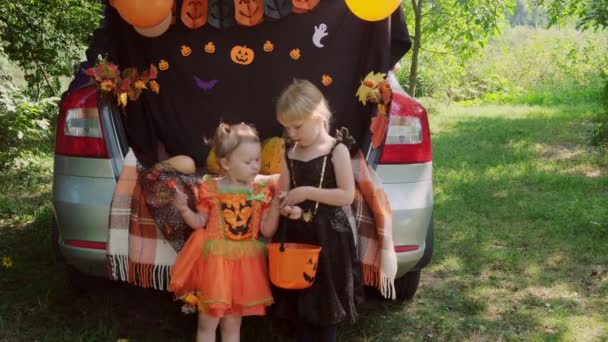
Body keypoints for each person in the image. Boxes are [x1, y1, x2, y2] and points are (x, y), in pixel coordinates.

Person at [167, 122, 282, 342]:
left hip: (245, 266)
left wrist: (275, 205)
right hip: (216, 264)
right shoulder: (211, 189)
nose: (255, 166)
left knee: (232, 322)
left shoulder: (260, 192)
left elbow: (267, 230)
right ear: (226, 163)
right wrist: (183, 209)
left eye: (257, 159)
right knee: (208, 320)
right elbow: (200, 222)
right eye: (248, 161)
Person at [272, 79, 360, 342]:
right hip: (296, 233)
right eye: (287, 128)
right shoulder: (289, 152)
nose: (292, 133)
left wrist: (308, 192)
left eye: (297, 126)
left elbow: (347, 194)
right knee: (297, 298)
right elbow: (284, 192)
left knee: (324, 298)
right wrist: (287, 206)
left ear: (319, 116)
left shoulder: (337, 150)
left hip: (328, 237)